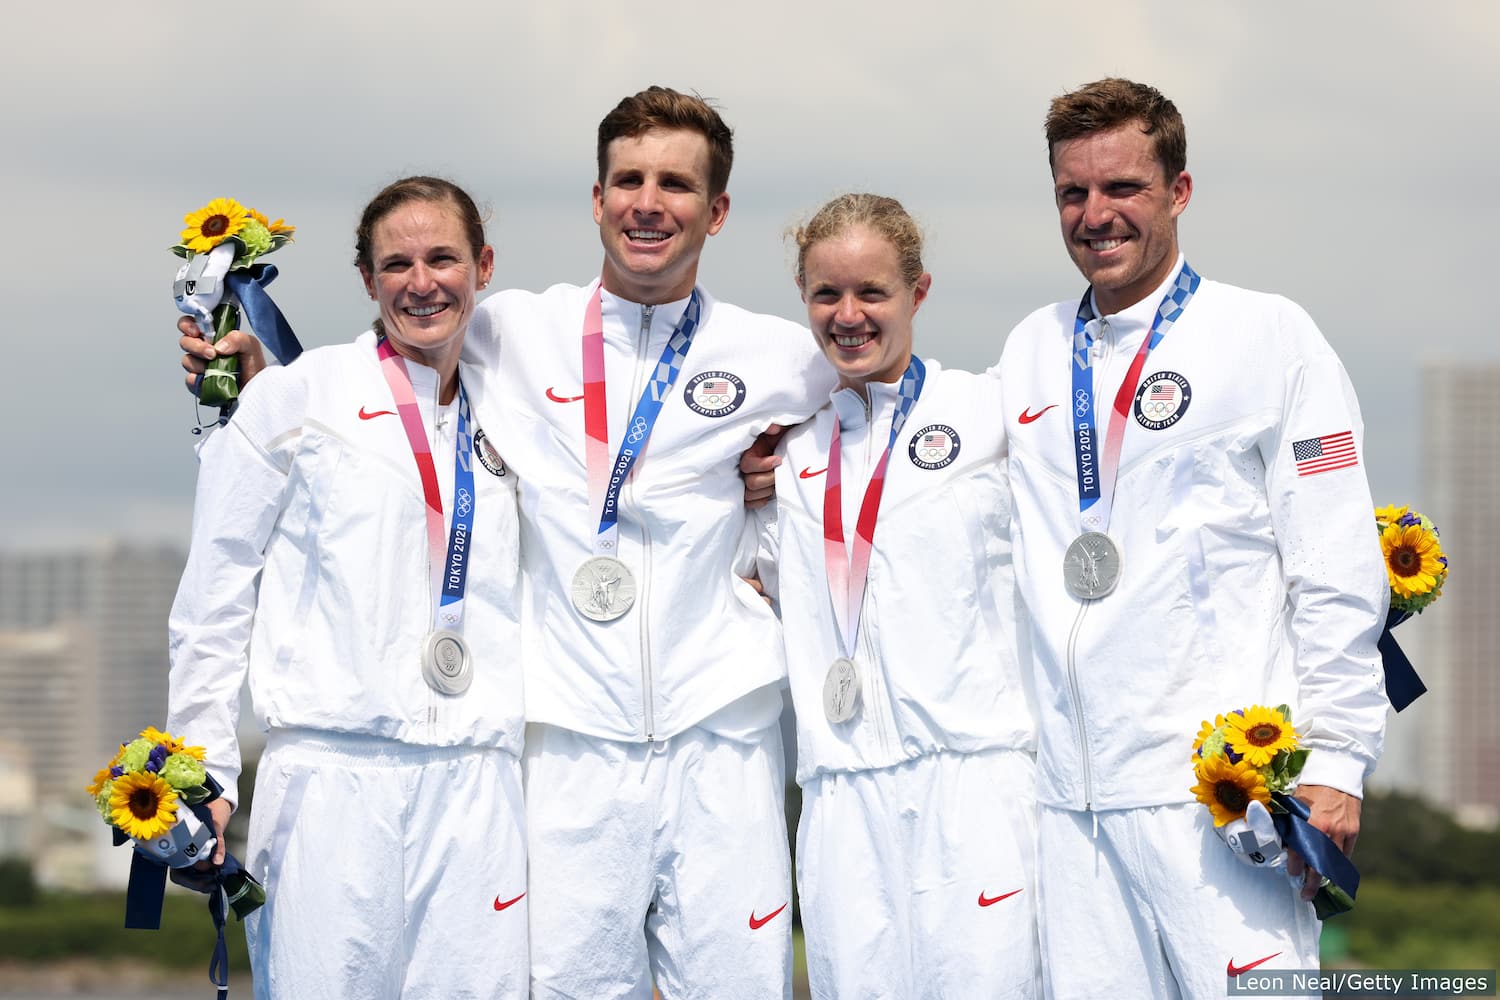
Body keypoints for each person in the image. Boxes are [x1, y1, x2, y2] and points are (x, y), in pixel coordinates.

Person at [180, 88, 835, 998]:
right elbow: (379, 383)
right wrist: (263, 382)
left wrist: (776, 493)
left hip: (719, 737)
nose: (649, 202)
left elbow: (876, 446)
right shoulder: (508, 333)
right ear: (596, 199)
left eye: (676, 184)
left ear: (715, 210)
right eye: (628, 180)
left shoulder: (785, 358)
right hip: (558, 750)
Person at [991, 78, 1389, 996]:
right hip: (1072, 807)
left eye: (1123, 187)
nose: (1096, 215)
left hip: (1223, 801)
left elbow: (1334, 562)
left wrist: (1337, 762)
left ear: (1179, 190)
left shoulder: (1269, 335)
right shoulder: (1029, 348)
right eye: (1072, 192)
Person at [168, 176, 529, 999]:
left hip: (480, 786)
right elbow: (213, 599)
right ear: (367, 280)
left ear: (483, 267)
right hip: (329, 780)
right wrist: (206, 776)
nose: (421, 281)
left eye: (443, 257)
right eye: (395, 263)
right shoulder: (292, 397)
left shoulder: (520, 408)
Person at [755, 194, 1039, 998]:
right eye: (826, 294)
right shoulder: (788, 451)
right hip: (841, 788)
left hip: (974, 781)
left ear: (918, 292)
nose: (849, 315)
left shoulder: (987, 416)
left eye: (872, 292)